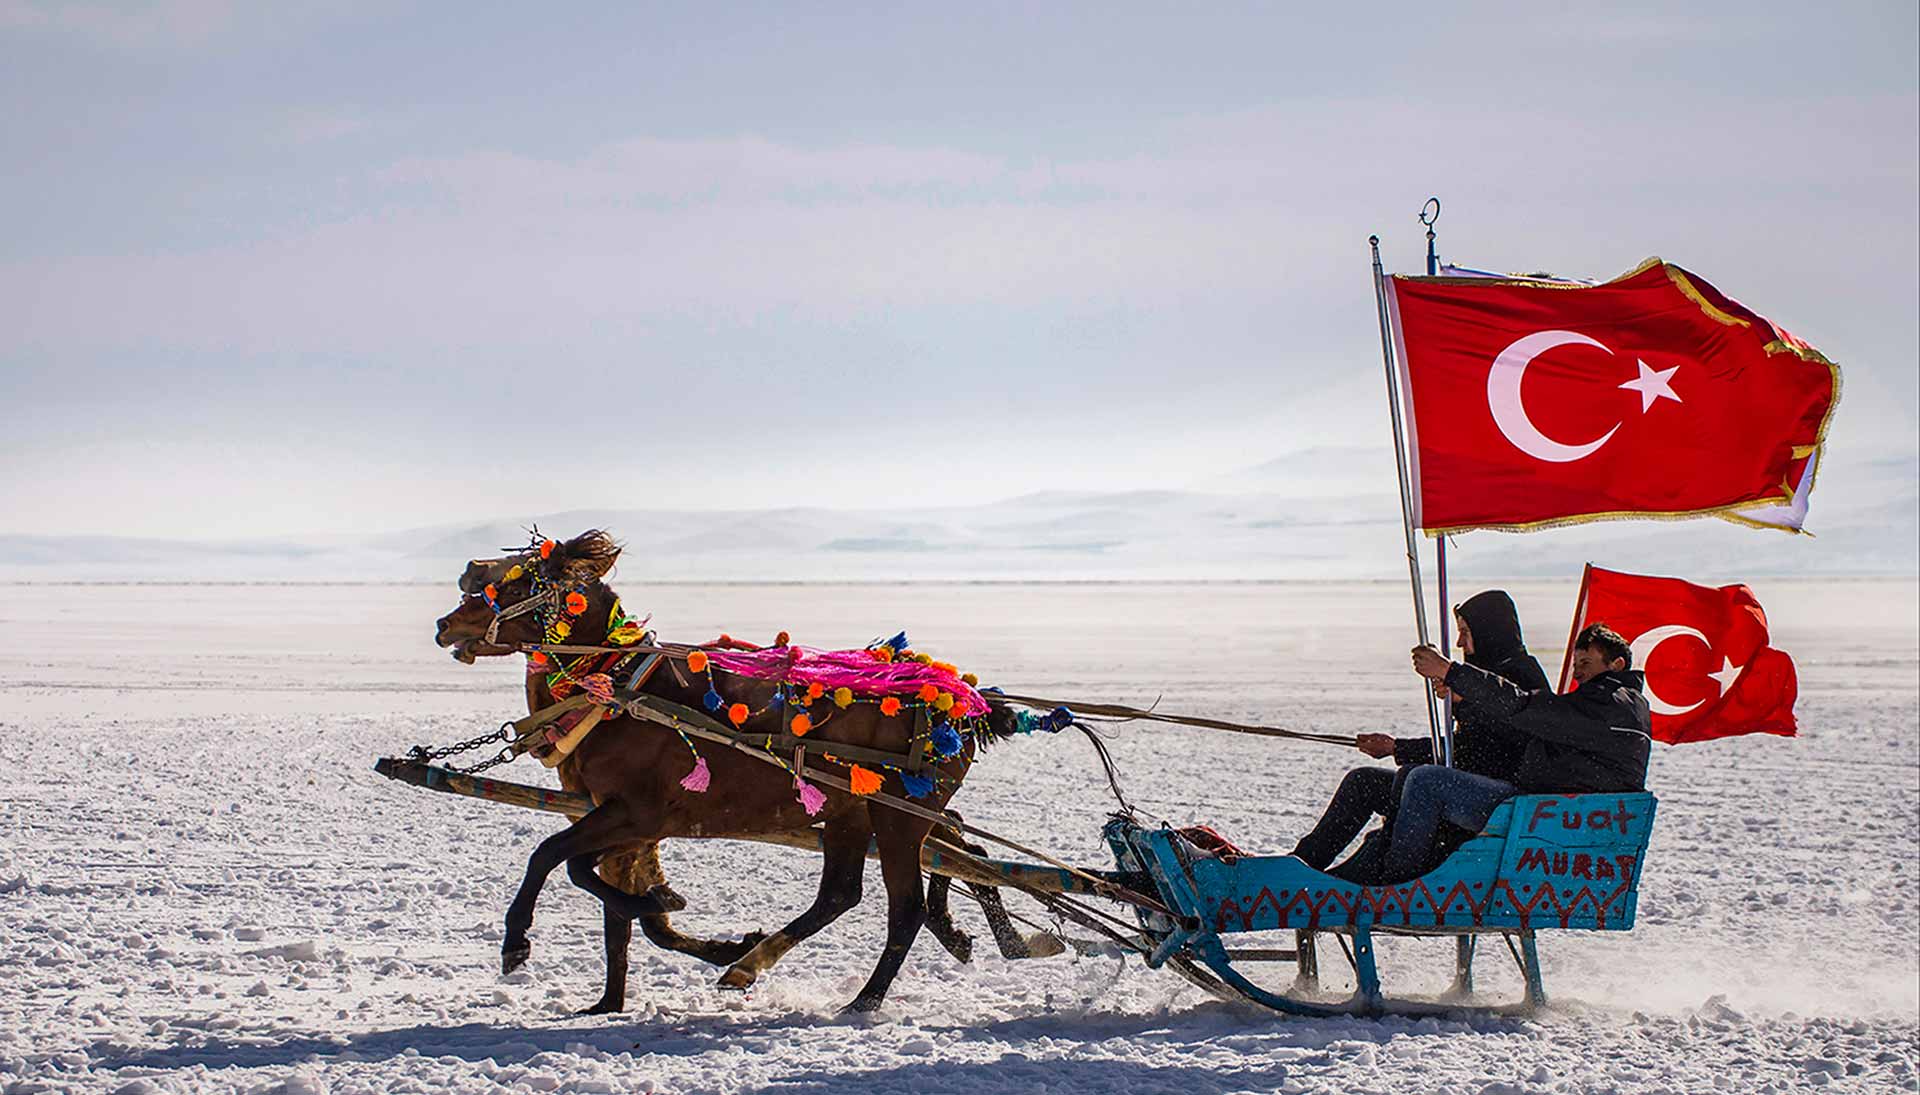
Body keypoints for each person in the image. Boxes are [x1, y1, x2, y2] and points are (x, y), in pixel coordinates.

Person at [1290, 590, 1547, 881]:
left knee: (1421, 779)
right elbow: (1464, 747)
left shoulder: (1522, 674)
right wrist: (1395, 747)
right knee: (1364, 781)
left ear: (1490, 631)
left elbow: (1513, 738)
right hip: (1462, 786)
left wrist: (1465, 703)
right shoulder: (1482, 674)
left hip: (1502, 799)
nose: (1461, 642)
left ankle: (1395, 878)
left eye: (1466, 632)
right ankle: (1303, 865)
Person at [1377, 622, 1653, 883]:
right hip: (1564, 821)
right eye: (1576, 664)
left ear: (1616, 665)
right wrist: (1464, 701)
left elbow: (1521, 707)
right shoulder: (1624, 709)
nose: (1577, 672)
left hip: (1539, 820)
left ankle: (1398, 885)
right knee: (1415, 776)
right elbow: (1526, 726)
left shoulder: (1604, 705)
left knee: (1426, 781)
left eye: (1586, 663)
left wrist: (1451, 671)